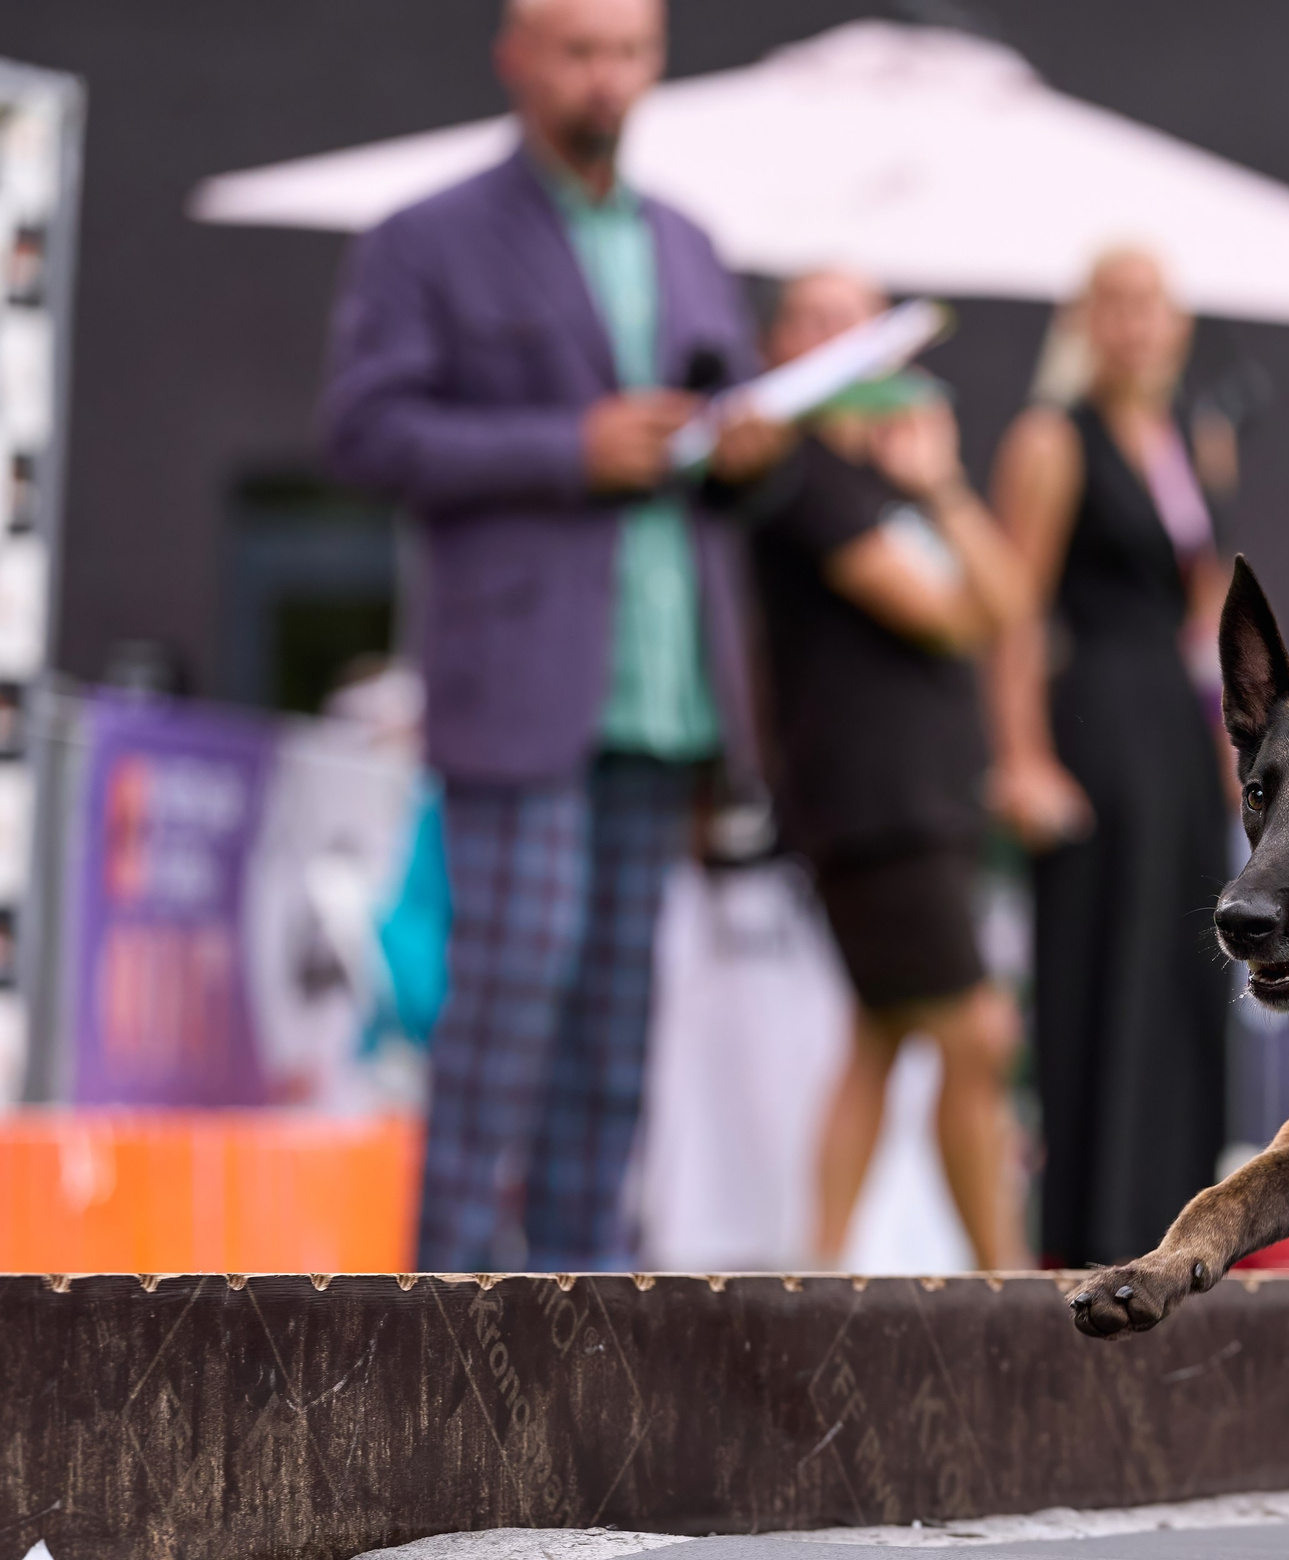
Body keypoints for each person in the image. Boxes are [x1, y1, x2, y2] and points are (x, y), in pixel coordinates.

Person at [321, 0, 787, 1269]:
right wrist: (566, 447)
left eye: (628, 51)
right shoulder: (431, 238)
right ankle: (447, 1334)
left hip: (664, 693)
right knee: (502, 1020)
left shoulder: (688, 241)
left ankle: (582, 1344)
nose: (605, 77)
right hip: (518, 689)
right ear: (515, 58)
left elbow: (721, 445)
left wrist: (743, 446)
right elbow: (363, 432)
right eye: (578, 50)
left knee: (616, 1040)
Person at [746, 270, 1032, 1270]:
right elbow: (947, 613)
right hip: (871, 804)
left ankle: (820, 1268)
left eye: (853, 316)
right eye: (809, 315)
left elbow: (1005, 600)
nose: (833, 333)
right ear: (777, 345)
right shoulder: (798, 478)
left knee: (882, 1039)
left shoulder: (886, 477)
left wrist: (942, 485)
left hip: (932, 799)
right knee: (976, 1035)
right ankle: (1001, 1282)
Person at [988, 249, 1231, 1268]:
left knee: (1183, 968)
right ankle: (1095, 1235)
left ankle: (1179, 1227)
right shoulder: (1051, 440)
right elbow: (1012, 607)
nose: (1134, 323)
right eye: (1113, 303)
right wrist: (1019, 756)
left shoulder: (1193, 440)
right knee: (1104, 971)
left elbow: (1208, 604)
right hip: (1094, 723)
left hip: (1176, 735)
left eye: (1151, 303)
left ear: (1178, 322)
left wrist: (1237, 744)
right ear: (1082, 320)